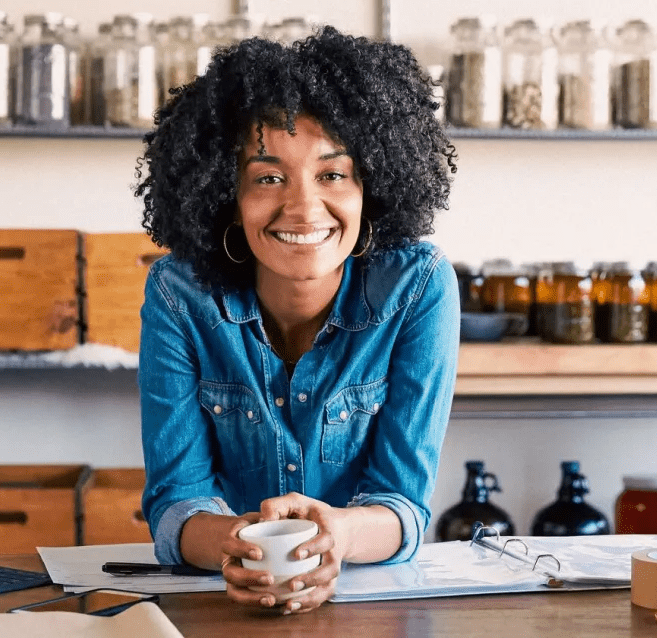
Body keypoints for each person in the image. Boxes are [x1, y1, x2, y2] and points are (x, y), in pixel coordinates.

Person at [135, 25, 460, 615]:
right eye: (267, 177)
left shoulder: (418, 288)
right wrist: (233, 546)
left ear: (373, 187)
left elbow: (403, 503)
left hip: (371, 608)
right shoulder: (179, 295)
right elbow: (175, 501)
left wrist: (338, 536)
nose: (304, 208)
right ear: (225, 195)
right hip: (225, 605)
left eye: (332, 174)